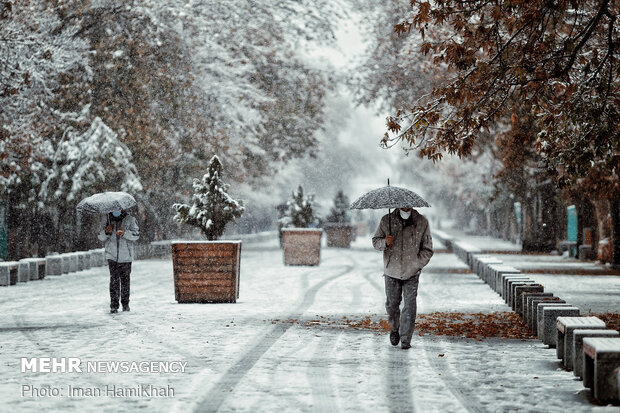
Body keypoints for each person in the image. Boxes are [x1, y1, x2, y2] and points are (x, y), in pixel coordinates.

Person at [372, 207, 433, 349]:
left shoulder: (422, 222)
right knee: (392, 305)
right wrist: (385, 242)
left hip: (412, 272)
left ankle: (406, 339)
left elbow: (428, 249)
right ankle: (395, 328)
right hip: (391, 270)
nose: (405, 206)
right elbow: (375, 241)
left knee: (410, 306)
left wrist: (417, 264)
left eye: (408, 204)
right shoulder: (386, 220)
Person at [98, 209, 140, 313]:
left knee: (125, 281)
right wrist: (106, 232)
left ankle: (125, 304)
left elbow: (136, 235)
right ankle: (114, 305)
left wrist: (125, 233)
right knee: (114, 281)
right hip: (111, 255)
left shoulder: (130, 219)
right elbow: (100, 236)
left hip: (126, 256)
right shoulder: (106, 220)